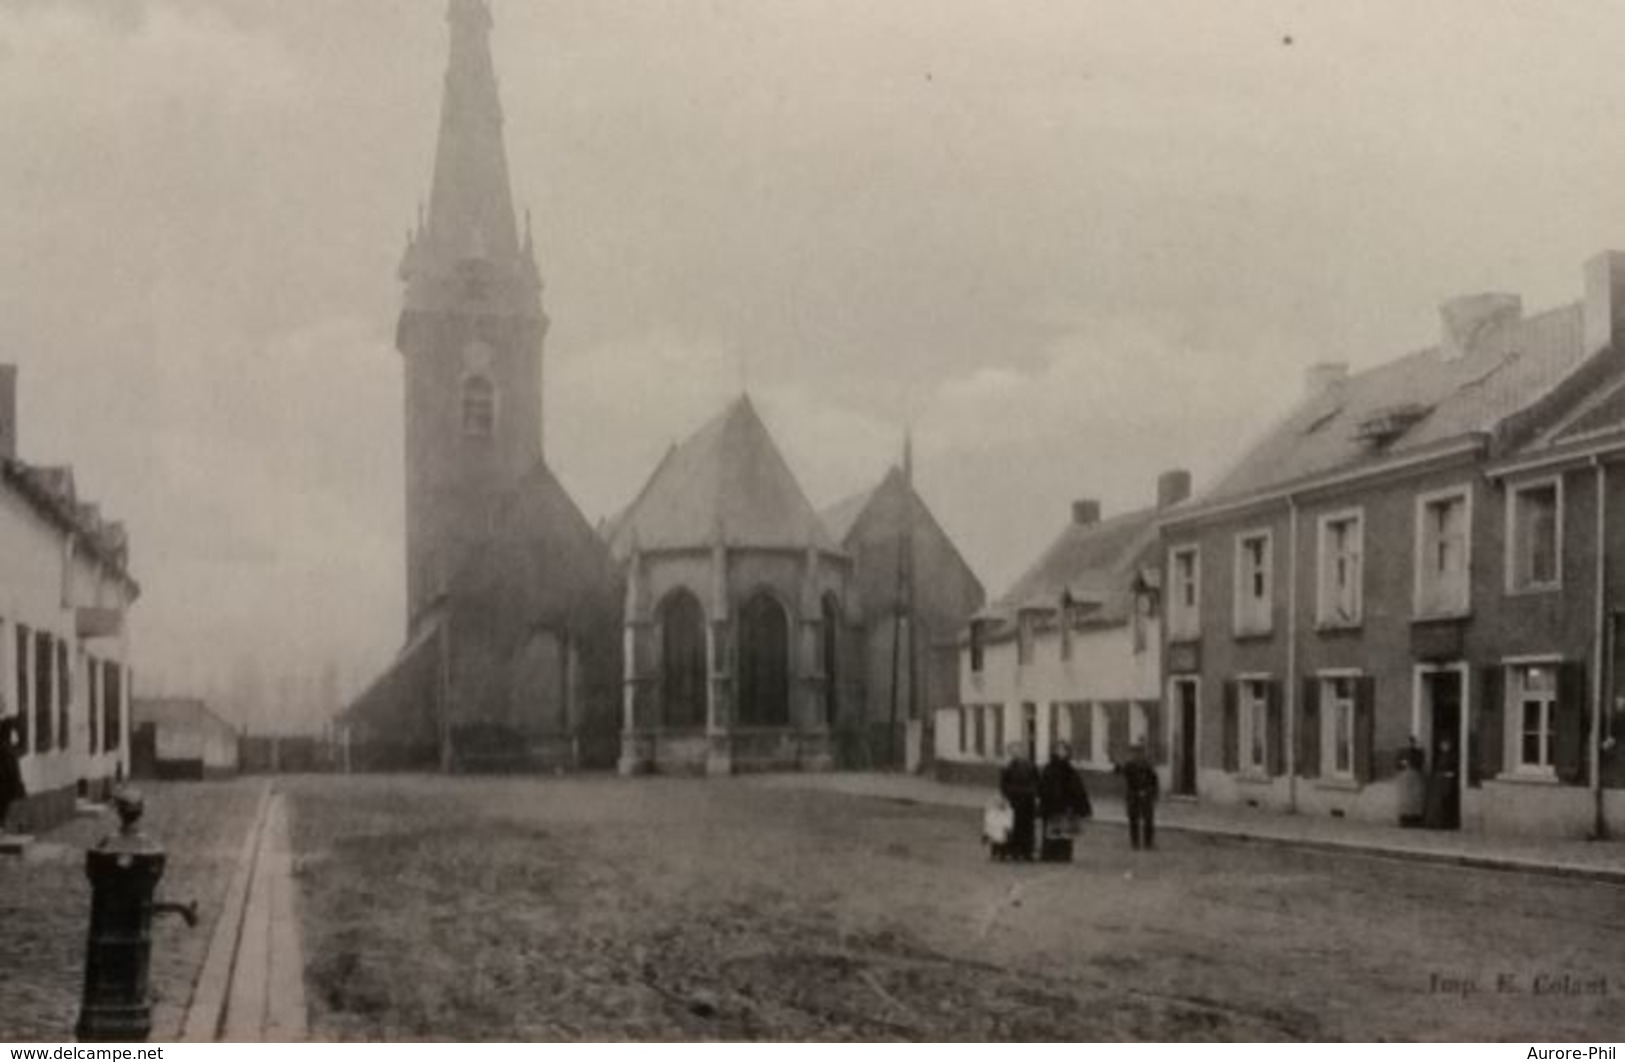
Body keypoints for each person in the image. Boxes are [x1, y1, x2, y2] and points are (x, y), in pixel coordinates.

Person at [1037, 741, 1091, 862]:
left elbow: (1077, 788)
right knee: (1050, 829)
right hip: (1051, 804)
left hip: (1065, 805)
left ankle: (1064, 855)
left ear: (1067, 753)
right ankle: (1049, 855)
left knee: (1065, 830)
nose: (1061, 752)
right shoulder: (1049, 768)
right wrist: (1043, 799)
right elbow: (1042, 786)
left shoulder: (1070, 770)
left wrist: (1079, 805)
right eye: (1059, 749)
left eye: (1064, 750)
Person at [998, 743, 1041, 861]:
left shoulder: (1031, 765)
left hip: (1027, 800)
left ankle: (1027, 851)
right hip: (1013, 799)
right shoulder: (1007, 767)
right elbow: (1003, 784)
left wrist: (1034, 795)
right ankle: (1013, 851)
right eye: (1013, 751)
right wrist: (1004, 796)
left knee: (1026, 827)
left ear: (1023, 752)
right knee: (1012, 825)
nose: (1016, 753)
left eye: (1018, 750)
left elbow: (1036, 781)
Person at [1119, 740, 1159, 850]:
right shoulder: (1129, 765)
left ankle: (1148, 843)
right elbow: (1119, 771)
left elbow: (1154, 780)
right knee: (1133, 819)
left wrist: (1151, 792)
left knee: (1148, 820)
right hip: (1133, 795)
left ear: (1143, 753)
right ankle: (1135, 843)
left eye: (1139, 752)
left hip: (1146, 795)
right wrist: (1117, 763)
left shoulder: (1148, 766)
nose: (1137, 755)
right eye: (1135, 752)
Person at [1423, 736, 1460, 830]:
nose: (1443, 746)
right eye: (1442, 745)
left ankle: (1443, 823)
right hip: (1438, 781)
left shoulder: (1453, 756)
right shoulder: (1441, 756)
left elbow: (1454, 770)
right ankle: (1434, 822)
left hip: (1446, 781)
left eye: (1446, 745)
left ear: (1450, 746)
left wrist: (1448, 774)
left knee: (1444, 801)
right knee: (1436, 802)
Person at [0, 717, 26, 834]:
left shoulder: (7, 746)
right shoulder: (6, 747)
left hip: (6, 782)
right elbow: (11, 768)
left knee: (4, 805)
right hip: (5, 783)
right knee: (3, 805)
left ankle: (1, 827)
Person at [1397, 736, 1426, 828]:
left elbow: (1421, 763)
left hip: (1416, 775)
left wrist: (1412, 762)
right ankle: (1405, 820)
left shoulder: (1419, 752)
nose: (1410, 744)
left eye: (1412, 742)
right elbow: (1396, 763)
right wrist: (1402, 764)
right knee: (1405, 798)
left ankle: (1415, 820)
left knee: (1416, 797)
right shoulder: (1401, 752)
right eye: (1409, 742)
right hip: (1405, 776)